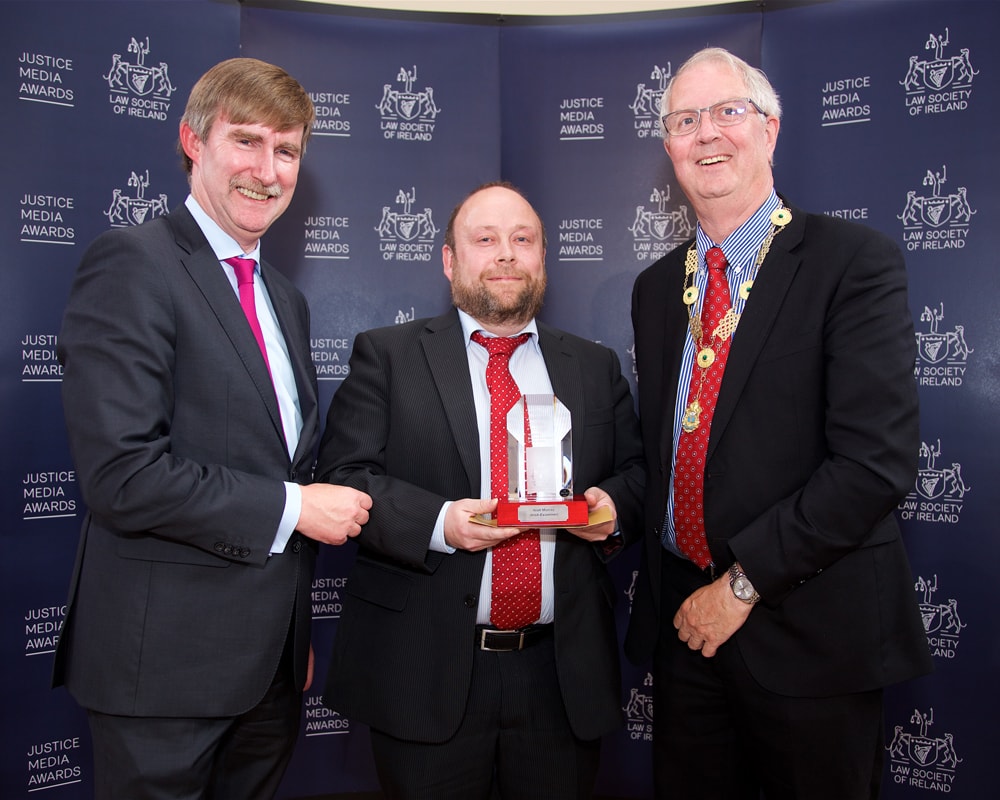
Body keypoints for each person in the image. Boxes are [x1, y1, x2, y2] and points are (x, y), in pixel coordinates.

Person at [54, 58, 372, 799]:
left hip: (268, 676)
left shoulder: (283, 299)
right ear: (193, 142)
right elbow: (123, 477)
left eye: (287, 150)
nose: (268, 169)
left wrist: (287, 640)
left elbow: (270, 455)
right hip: (160, 679)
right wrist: (298, 508)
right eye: (247, 142)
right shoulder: (132, 264)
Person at [625, 47, 933, 799]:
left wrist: (740, 586)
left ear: (770, 129)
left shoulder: (851, 262)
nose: (707, 136)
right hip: (685, 633)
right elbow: (671, 449)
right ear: (667, 146)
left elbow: (874, 465)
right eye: (685, 121)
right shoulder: (658, 288)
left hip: (811, 637)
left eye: (728, 112)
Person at [315, 182, 645, 800]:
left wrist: (612, 509)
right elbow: (342, 480)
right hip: (426, 670)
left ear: (544, 256)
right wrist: (441, 523)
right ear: (449, 260)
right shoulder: (387, 357)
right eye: (485, 239)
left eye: (523, 240)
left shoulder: (593, 366)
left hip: (560, 675)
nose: (506, 255)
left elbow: (637, 472)